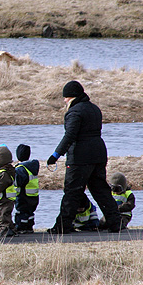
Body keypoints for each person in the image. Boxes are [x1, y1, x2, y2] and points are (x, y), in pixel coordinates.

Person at [46, 81, 122, 234]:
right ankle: (115, 222)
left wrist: (55, 155)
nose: (64, 101)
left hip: (80, 157)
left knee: (72, 191)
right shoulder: (94, 109)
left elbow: (70, 136)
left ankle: (62, 226)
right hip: (99, 153)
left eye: (65, 98)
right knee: (100, 190)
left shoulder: (74, 112)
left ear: (71, 97)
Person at [14, 144, 40, 234]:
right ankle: (29, 227)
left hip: (23, 195)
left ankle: (21, 228)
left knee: (22, 212)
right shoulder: (33, 166)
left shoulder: (21, 169)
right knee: (30, 212)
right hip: (34, 195)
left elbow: (18, 182)